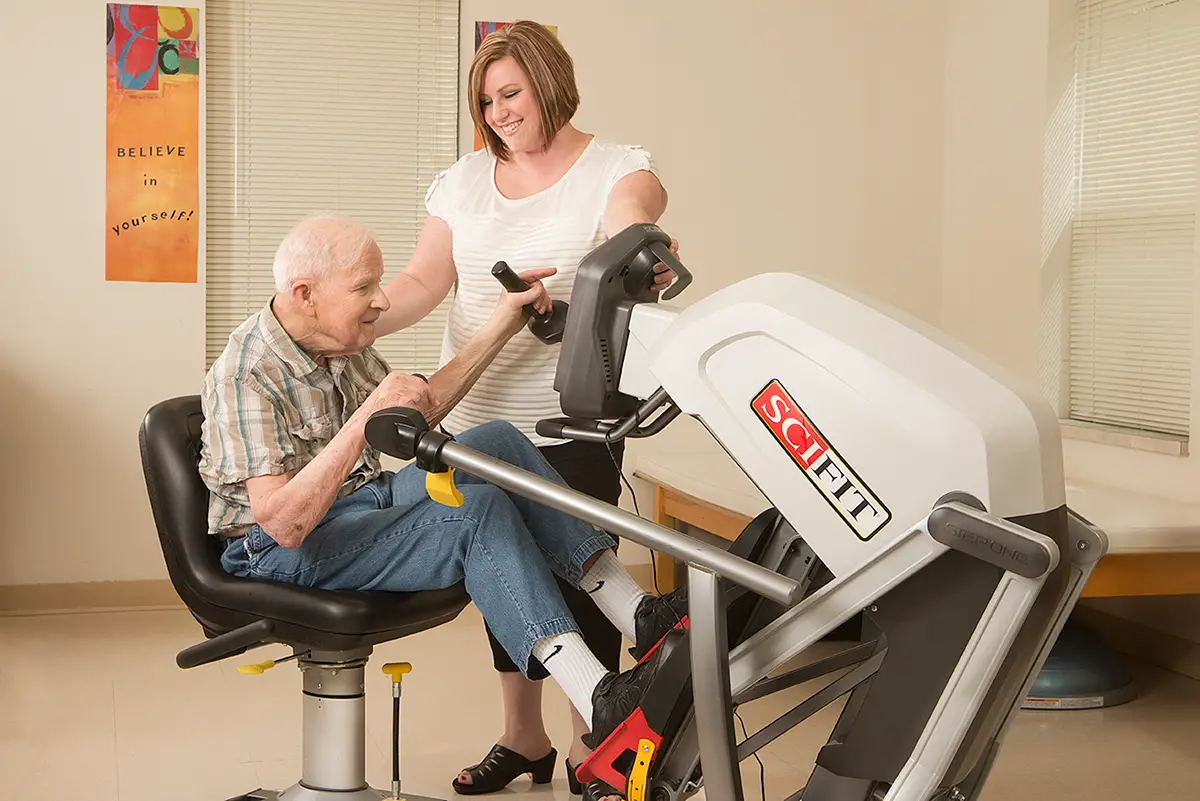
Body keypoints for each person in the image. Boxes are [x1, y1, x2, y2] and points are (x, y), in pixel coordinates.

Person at [197, 217, 689, 798]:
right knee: (473, 514)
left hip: (360, 504)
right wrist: (366, 417)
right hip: (279, 549)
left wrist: (503, 322)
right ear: (305, 293)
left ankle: (638, 615)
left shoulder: (335, 343)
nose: (382, 300)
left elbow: (419, 409)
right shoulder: (246, 373)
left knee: (495, 443)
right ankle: (597, 697)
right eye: (364, 287)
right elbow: (284, 523)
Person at [372, 21, 678, 800]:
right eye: (486, 101)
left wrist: (636, 258)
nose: (499, 112)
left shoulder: (615, 167)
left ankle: (592, 745)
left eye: (511, 93)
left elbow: (631, 226)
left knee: (582, 577)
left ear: (548, 82)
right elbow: (422, 281)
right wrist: (356, 316)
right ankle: (524, 736)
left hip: (571, 419)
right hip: (476, 417)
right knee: (500, 569)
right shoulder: (463, 182)